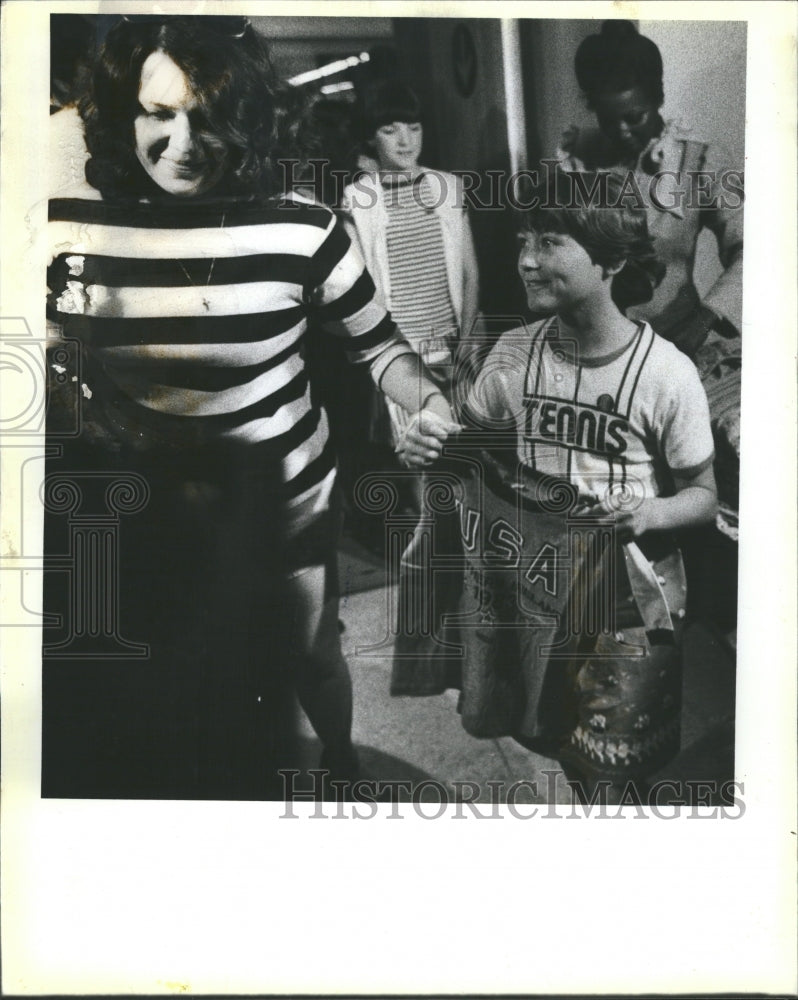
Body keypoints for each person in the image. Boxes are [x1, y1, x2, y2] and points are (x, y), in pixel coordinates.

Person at [43, 15, 458, 799]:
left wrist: (427, 400)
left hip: (286, 498)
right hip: (147, 513)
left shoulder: (304, 226)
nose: (185, 141)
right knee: (172, 683)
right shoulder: (72, 229)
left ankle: (339, 759)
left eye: (208, 116)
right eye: (159, 115)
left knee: (307, 656)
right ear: (122, 112)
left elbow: (380, 347)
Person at [454, 170, 718, 801]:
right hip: (539, 595)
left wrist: (651, 513)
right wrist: (431, 444)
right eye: (523, 240)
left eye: (549, 242)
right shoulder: (512, 355)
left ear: (612, 259)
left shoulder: (665, 374)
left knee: (619, 758)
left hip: (624, 608)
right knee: (564, 740)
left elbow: (704, 497)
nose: (524, 260)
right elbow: (471, 452)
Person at [555, 20, 743, 537]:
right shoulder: (574, 164)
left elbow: (756, 248)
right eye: (607, 118)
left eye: (635, 117)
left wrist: (710, 315)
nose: (622, 133)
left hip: (683, 344)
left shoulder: (700, 159)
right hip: (597, 355)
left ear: (658, 98)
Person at [341, 80, 480, 466]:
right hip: (401, 355)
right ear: (370, 138)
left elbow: (470, 273)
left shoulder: (447, 188)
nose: (405, 141)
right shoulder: (358, 200)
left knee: (463, 457)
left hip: (454, 348)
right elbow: (363, 291)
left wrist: (466, 342)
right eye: (390, 130)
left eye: (414, 128)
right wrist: (392, 352)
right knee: (419, 462)